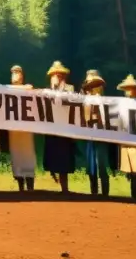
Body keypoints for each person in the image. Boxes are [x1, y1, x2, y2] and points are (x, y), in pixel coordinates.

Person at [42, 61, 75, 193]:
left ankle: (65, 189)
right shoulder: (47, 90)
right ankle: (54, 176)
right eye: (54, 74)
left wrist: (58, 88)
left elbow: (68, 101)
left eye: (59, 74)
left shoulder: (70, 88)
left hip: (65, 130)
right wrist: (53, 88)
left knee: (64, 160)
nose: (56, 76)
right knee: (52, 156)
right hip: (52, 130)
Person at [81, 69, 112, 197]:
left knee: (102, 164)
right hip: (89, 134)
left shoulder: (105, 101)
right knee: (91, 164)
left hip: (101, 134)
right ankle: (93, 191)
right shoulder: (85, 100)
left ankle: (105, 193)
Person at [7, 66, 37, 191]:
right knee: (17, 156)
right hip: (13, 130)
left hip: (26, 128)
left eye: (18, 72)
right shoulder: (6, 90)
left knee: (28, 155)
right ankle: (20, 185)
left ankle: (30, 185)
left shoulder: (28, 88)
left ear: (22, 75)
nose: (16, 74)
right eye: (13, 72)